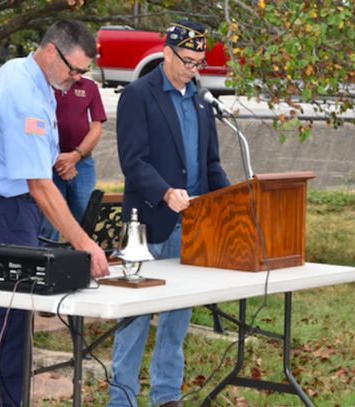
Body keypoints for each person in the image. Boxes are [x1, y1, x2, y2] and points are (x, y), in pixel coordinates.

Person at [0, 20, 110, 407]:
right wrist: (85, 244)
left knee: (14, 324)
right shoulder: (22, 93)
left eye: (83, 72)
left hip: (13, 210)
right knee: (5, 324)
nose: (77, 79)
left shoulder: (34, 80)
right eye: (73, 69)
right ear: (49, 51)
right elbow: (39, 184)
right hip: (1, 211)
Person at [107, 20, 230, 407]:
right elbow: (133, 161)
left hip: (193, 224)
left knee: (177, 317)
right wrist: (165, 192)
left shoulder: (201, 100)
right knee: (136, 316)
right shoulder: (138, 95)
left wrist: (232, 200)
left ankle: (166, 395)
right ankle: (122, 398)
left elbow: (210, 164)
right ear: (167, 52)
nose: (194, 68)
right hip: (147, 221)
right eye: (188, 60)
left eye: (199, 62)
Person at [39, 76, 107, 243]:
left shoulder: (89, 86)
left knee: (85, 219)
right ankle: (48, 263)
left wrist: (75, 156)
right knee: (48, 221)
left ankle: (81, 262)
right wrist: (60, 160)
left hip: (82, 164)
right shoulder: (44, 84)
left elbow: (96, 128)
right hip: (48, 163)